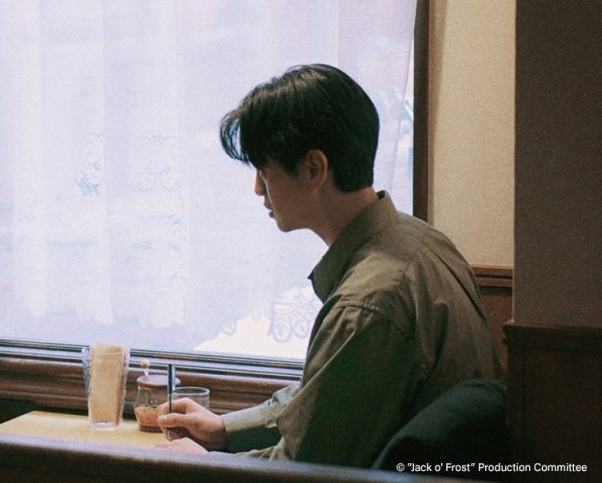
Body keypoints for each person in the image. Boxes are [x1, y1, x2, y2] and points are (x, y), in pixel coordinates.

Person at [156, 64, 502, 466]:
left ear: (314, 169)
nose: (257, 188)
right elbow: (326, 396)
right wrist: (224, 429)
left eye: (264, 172)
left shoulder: (369, 304)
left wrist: (201, 465)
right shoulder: (422, 240)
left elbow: (304, 467)